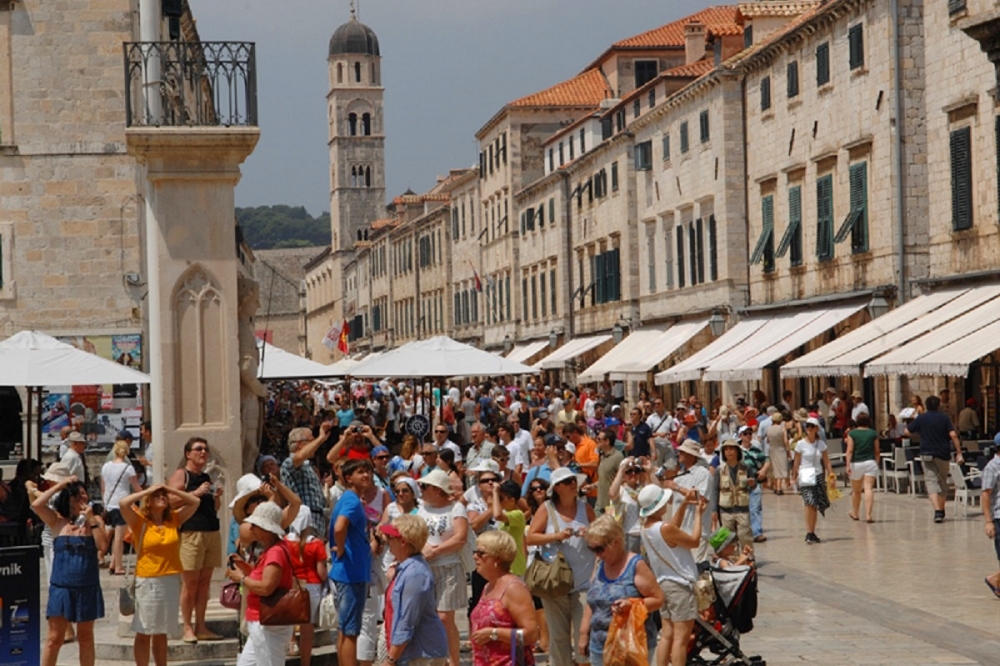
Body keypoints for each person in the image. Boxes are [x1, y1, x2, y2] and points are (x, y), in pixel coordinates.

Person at [119, 483, 201, 666]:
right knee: (144, 630)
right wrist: (147, 491)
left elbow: (195, 502)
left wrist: (170, 489)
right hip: (148, 580)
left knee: (161, 630)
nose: (161, 497)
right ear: (149, 501)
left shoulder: (173, 519)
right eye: (157, 495)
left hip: (170, 579)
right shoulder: (139, 521)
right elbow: (123, 504)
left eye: (163, 495)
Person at [33, 476, 108, 666]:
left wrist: (91, 519)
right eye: (76, 496)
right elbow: (37, 505)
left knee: (85, 637)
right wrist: (60, 485)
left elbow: (102, 545)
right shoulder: (58, 521)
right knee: (54, 638)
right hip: (61, 587)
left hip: (87, 586)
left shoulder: (94, 521)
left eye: (83, 494)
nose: (81, 499)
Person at [525, 467, 596, 666]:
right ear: (557, 488)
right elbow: (530, 538)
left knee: (584, 636)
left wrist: (589, 533)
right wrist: (557, 536)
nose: (573, 484)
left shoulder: (585, 508)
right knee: (558, 637)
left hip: (584, 581)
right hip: (554, 581)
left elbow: (600, 534)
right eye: (567, 482)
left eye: (573, 480)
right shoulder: (546, 508)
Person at [578, 515, 662, 666]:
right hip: (599, 646)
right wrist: (583, 634)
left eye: (599, 548)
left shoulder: (636, 565)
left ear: (615, 542)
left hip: (630, 647)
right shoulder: (600, 563)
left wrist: (632, 605)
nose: (596, 554)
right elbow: (592, 600)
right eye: (591, 549)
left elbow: (658, 599)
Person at [638, 484, 704, 666]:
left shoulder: (646, 528)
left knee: (667, 634)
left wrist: (684, 505)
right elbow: (694, 542)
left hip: (663, 583)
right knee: (681, 638)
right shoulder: (664, 528)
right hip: (679, 584)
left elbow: (672, 527)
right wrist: (698, 515)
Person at [167, 437, 223, 643]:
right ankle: (187, 627)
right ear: (188, 454)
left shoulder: (206, 476)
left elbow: (212, 508)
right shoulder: (182, 474)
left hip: (211, 531)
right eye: (198, 449)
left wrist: (216, 497)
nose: (203, 452)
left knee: (204, 583)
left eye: (205, 449)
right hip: (191, 532)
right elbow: (170, 501)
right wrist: (195, 493)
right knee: (190, 583)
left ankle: (201, 625)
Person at [228, 502, 297, 666]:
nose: (251, 529)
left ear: (266, 528)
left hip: (267, 623)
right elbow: (264, 577)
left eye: (255, 525)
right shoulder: (273, 549)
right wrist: (245, 568)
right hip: (262, 621)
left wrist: (242, 579)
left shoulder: (275, 552)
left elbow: (266, 587)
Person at [416, 469, 470, 666]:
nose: (421, 490)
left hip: (449, 567)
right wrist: (423, 546)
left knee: (445, 617)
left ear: (437, 490)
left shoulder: (456, 508)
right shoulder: (422, 509)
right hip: (426, 568)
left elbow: (460, 537)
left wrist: (436, 551)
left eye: (425, 486)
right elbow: (416, 533)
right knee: (430, 616)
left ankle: (454, 661)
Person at [380, 515, 450, 666]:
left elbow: (407, 621)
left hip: (421, 654)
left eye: (390, 537)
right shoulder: (406, 568)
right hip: (412, 653)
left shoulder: (415, 574)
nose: (386, 540)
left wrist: (390, 660)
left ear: (403, 541)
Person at [469, 531, 539, 666]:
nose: (475, 556)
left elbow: (531, 634)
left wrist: (494, 633)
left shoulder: (513, 588)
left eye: (481, 553)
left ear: (498, 558)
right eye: (475, 552)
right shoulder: (488, 586)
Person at [330, 458, 374, 666]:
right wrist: (340, 548)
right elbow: (340, 527)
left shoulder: (350, 499)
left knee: (344, 629)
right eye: (360, 472)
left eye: (367, 471)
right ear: (348, 478)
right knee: (350, 632)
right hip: (351, 572)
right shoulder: (352, 500)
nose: (366, 475)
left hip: (348, 572)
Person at [905, 395, 965, 523]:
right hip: (942, 453)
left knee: (930, 481)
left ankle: (938, 510)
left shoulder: (921, 418)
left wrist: (920, 436)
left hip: (926, 452)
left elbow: (906, 431)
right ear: (938, 405)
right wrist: (959, 452)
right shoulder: (944, 418)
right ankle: (941, 510)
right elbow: (953, 435)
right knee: (942, 481)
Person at [285, 507, 329, 666]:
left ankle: (291, 644)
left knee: (289, 621)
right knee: (307, 631)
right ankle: (305, 663)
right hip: (312, 587)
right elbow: (321, 572)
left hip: (292, 585)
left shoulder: (285, 542)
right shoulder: (317, 544)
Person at [282, 423, 334, 534]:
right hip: (303, 522)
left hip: (318, 523)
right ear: (299, 444)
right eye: (311, 440)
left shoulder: (308, 466)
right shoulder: (288, 463)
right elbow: (300, 456)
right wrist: (321, 438)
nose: (315, 444)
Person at [100, 439, 142, 575]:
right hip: (122, 504)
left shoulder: (106, 466)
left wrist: (105, 503)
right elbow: (136, 487)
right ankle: (118, 566)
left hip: (108, 504)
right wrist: (146, 495)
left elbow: (103, 487)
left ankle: (113, 563)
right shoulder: (128, 468)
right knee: (119, 537)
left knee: (113, 535)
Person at [792, 418, 834, 544]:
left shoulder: (821, 444)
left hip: (818, 475)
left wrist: (831, 475)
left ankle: (812, 531)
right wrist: (793, 477)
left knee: (815, 504)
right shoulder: (800, 444)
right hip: (805, 476)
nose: (809, 428)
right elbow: (796, 462)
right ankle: (808, 532)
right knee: (809, 503)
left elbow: (826, 461)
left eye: (812, 426)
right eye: (807, 426)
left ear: (816, 429)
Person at [716, 438, 752, 551]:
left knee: (745, 535)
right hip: (725, 511)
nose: (728, 452)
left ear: (737, 451)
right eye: (726, 449)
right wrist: (714, 511)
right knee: (728, 539)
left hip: (742, 509)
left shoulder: (746, 468)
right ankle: (733, 559)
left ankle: (748, 557)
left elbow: (753, 485)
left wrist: (753, 483)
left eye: (731, 449)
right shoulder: (719, 470)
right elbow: (715, 490)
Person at [738, 426, 771, 543]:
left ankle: (757, 533)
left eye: (750, 433)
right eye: (745, 433)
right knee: (741, 510)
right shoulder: (736, 451)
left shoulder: (756, 450)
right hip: (739, 485)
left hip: (754, 483)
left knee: (755, 509)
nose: (748, 436)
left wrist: (763, 470)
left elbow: (767, 460)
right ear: (740, 436)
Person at [845, 413, 880, 523]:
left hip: (856, 463)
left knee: (856, 491)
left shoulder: (852, 433)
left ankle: (855, 513)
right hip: (870, 462)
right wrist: (876, 463)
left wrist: (847, 465)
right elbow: (877, 451)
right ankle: (868, 515)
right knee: (868, 488)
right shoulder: (873, 433)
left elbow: (850, 450)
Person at [608, 457, 646, 553]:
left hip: (644, 535)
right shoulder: (620, 490)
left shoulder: (643, 489)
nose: (633, 474)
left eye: (636, 471)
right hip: (626, 535)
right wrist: (621, 469)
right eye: (629, 471)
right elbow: (612, 494)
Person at [981, 442, 1000, 600]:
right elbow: (986, 494)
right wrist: (988, 521)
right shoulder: (992, 467)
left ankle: (995, 579)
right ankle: (995, 579)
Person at [594, 429, 624, 514]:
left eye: (599, 439)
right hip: (599, 503)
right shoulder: (602, 456)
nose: (596, 441)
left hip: (611, 505)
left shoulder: (618, 457)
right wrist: (593, 486)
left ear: (607, 441)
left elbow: (623, 479)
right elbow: (606, 477)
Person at [764, 413, 789, 495]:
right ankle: (779, 488)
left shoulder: (769, 429)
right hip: (781, 449)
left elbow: (768, 440)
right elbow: (785, 441)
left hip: (772, 449)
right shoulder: (782, 428)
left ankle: (775, 486)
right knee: (781, 468)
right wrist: (788, 450)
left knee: (774, 468)